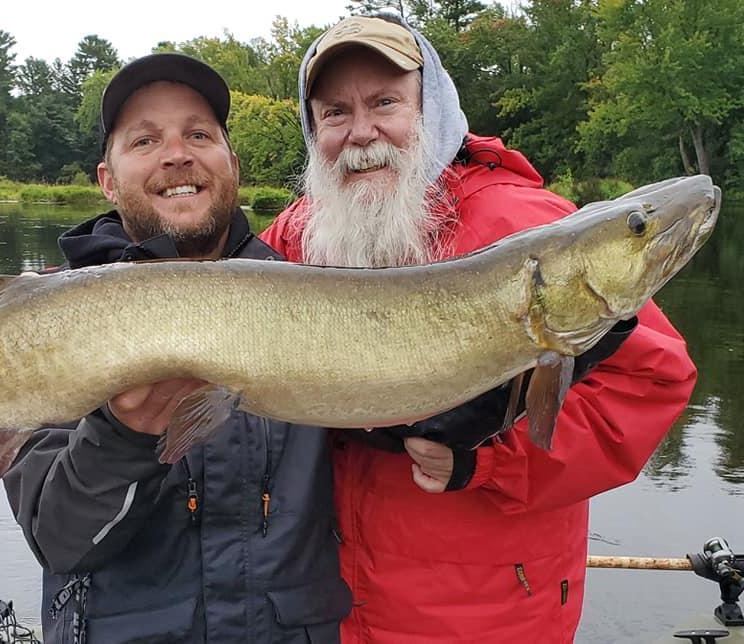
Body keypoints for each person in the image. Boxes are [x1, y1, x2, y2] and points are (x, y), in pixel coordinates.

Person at [259, 14, 697, 643]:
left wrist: (488, 458)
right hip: (326, 605)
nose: (361, 133)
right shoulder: (298, 232)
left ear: (432, 107)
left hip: (484, 614)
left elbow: (650, 383)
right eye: (334, 112)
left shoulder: (527, 222)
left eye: (385, 102)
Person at [3, 53, 351, 644]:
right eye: (144, 140)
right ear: (107, 180)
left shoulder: (314, 297)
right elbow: (60, 540)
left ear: (232, 164)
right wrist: (121, 434)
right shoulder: (47, 321)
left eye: (198, 134)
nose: (177, 153)